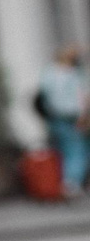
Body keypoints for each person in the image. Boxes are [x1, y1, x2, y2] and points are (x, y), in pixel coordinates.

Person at [36, 45, 87, 193]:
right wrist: (83, 116)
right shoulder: (75, 74)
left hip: (54, 117)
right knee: (76, 150)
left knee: (62, 150)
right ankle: (71, 183)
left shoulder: (49, 73)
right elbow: (83, 97)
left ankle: (62, 182)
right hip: (72, 117)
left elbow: (43, 96)